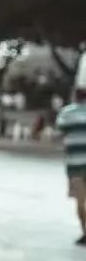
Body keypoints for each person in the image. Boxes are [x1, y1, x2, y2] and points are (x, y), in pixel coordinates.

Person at [55, 87, 86, 245]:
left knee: (80, 200)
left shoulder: (66, 113)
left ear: (75, 96)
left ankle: (85, 232)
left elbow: (59, 132)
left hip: (74, 164)